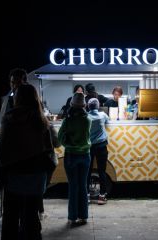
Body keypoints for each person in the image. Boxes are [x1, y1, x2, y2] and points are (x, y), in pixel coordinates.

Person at [0, 84, 50, 240]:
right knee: (31, 217)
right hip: (36, 175)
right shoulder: (41, 120)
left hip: (15, 174)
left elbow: (2, 147)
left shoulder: (9, 118)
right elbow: (48, 148)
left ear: (17, 99)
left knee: (11, 219)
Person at [58, 92, 92, 225]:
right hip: (85, 155)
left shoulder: (67, 120)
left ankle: (72, 217)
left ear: (71, 104)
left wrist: (69, 144)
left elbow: (60, 139)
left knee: (73, 186)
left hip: (71, 155)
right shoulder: (88, 120)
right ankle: (84, 216)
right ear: (84, 105)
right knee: (83, 186)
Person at [86, 98, 109, 205]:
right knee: (102, 171)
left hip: (89, 147)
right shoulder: (103, 115)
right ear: (98, 105)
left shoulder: (85, 116)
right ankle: (102, 196)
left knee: (87, 171)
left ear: (88, 106)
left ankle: (87, 196)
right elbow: (108, 122)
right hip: (101, 146)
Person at [0, 68, 28, 132]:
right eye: (12, 82)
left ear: (25, 83)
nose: (14, 86)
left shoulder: (30, 99)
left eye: (18, 82)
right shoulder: (9, 100)